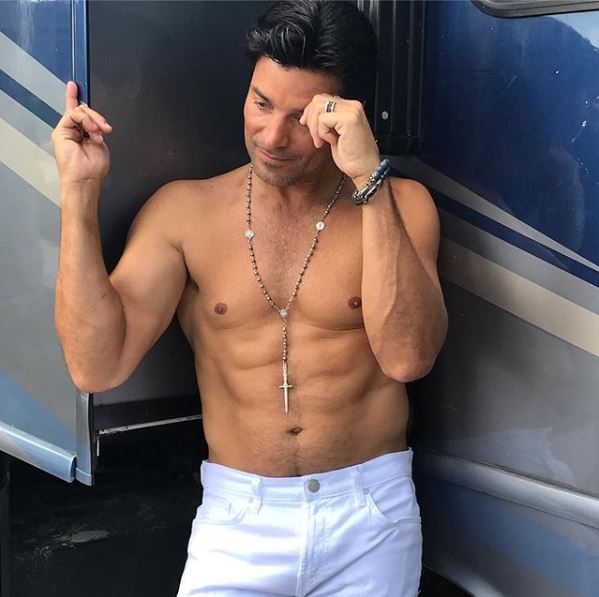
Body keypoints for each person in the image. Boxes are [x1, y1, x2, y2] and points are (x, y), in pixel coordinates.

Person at [51, 1, 447, 595]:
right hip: (239, 518)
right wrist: (79, 193)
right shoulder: (184, 212)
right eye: (261, 103)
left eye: (300, 118)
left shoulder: (402, 206)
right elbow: (95, 366)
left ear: (346, 115)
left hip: (370, 512)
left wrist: (369, 179)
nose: (272, 137)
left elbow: (408, 358)